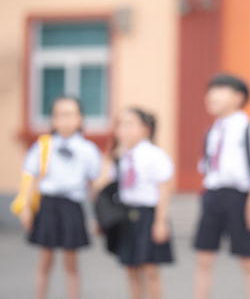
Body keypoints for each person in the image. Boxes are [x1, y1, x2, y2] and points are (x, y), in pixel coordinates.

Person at [193, 74, 250, 299]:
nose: (211, 96)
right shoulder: (212, 130)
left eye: (219, 90)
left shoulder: (249, 129)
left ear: (239, 97)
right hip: (212, 195)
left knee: (247, 258)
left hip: (239, 198)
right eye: (210, 90)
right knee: (204, 257)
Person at [19, 96, 101, 299]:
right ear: (53, 120)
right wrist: (26, 207)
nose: (65, 120)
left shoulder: (88, 150)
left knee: (71, 262)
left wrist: (98, 216)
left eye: (70, 114)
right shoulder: (43, 146)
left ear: (80, 118)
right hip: (48, 204)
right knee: (45, 260)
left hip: (72, 205)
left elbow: (93, 185)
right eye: (60, 115)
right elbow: (30, 175)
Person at [112, 107, 175, 299]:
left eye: (130, 124)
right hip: (126, 215)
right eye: (120, 124)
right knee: (130, 268)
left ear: (146, 128)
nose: (124, 130)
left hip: (148, 215)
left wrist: (160, 221)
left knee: (150, 269)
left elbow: (163, 189)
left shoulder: (155, 155)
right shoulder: (120, 156)